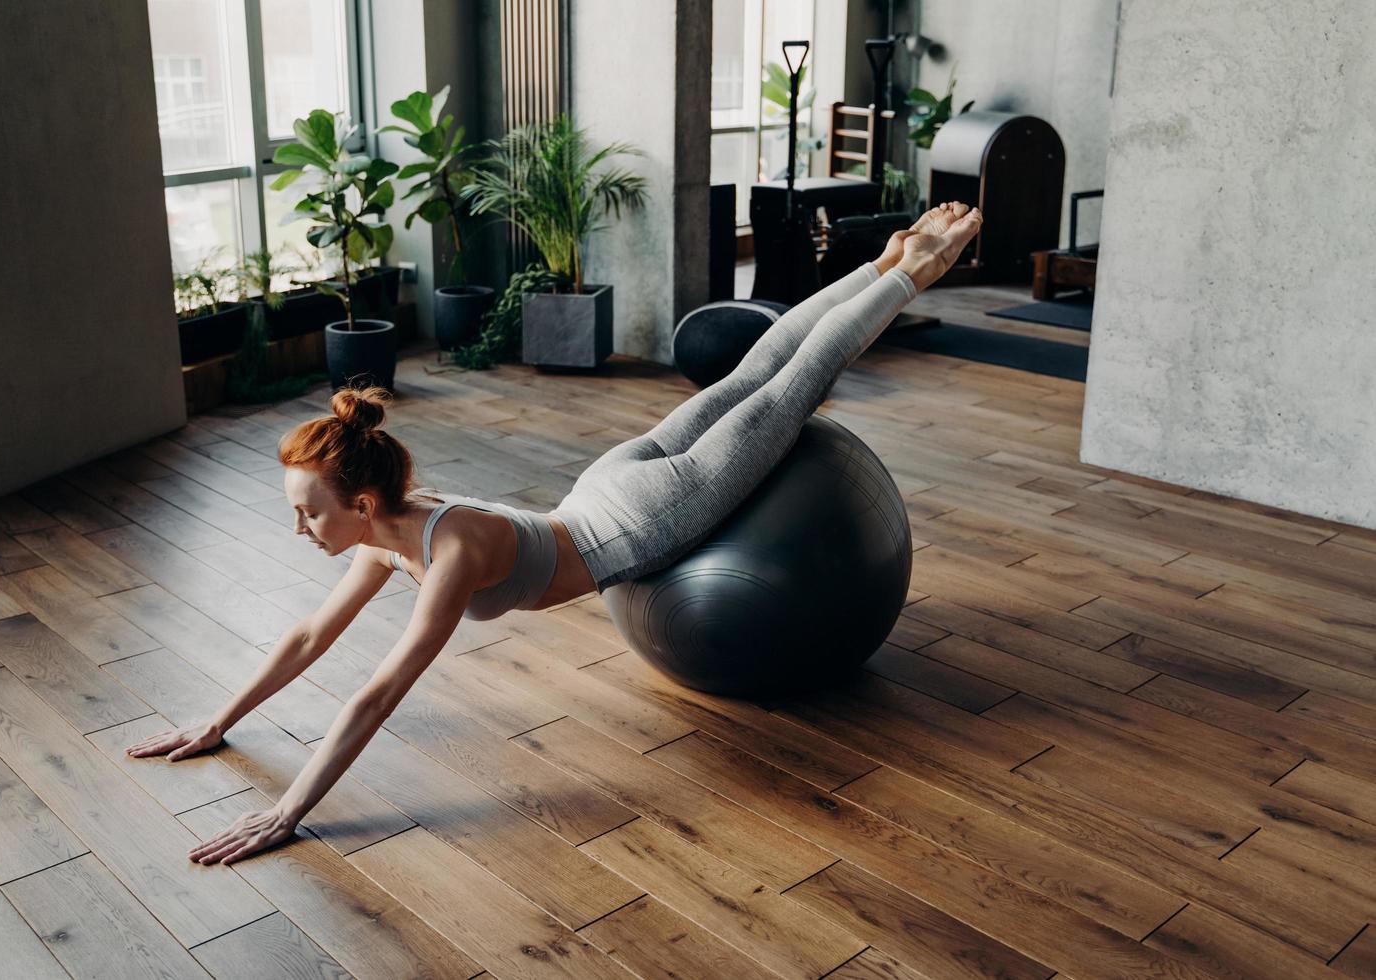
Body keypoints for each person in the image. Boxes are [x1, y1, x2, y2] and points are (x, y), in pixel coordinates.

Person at [126, 202, 984, 865]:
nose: (299, 527)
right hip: (606, 484)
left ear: (358, 502)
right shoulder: (390, 536)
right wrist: (216, 720)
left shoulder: (446, 552)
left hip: (648, 511)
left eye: (309, 511)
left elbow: (376, 695)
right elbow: (310, 636)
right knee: (760, 377)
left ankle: (915, 269)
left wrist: (289, 811)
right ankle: (882, 262)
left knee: (786, 387)